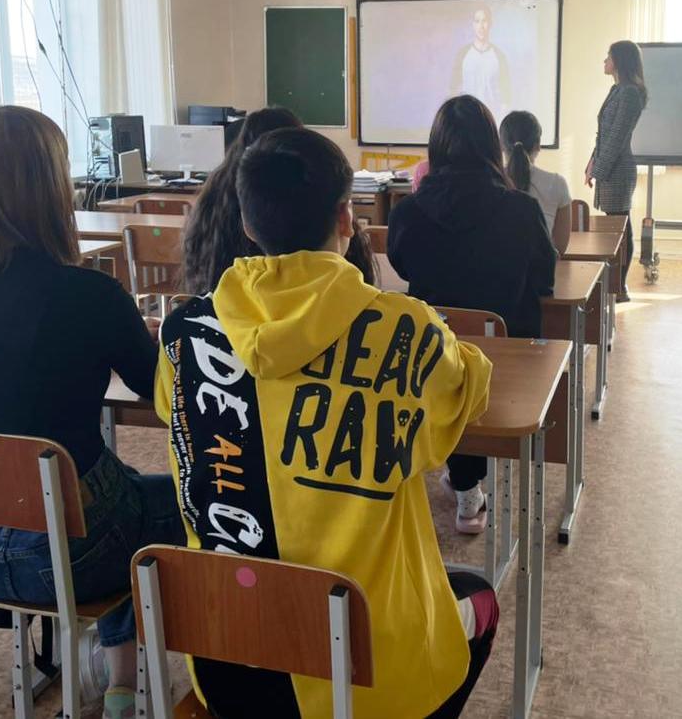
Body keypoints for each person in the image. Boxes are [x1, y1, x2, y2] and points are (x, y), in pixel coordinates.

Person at [156, 126, 497, 718]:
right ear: (346, 218)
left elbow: (170, 410)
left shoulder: (183, 334)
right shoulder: (408, 329)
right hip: (365, 668)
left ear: (247, 224)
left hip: (229, 657)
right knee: (481, 599)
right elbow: (469, 390)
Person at [0, 106, 184, 719]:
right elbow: (160, 390)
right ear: (52, 187)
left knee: (117, 491)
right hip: (70, 555)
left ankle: (111, 670)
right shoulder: (89, 294)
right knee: (181, 500)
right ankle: (124, 678)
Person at [387, 95, 556, 534]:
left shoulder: (408, 212)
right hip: (508, 369)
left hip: (428, 365)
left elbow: (403, 267)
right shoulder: (522, 210)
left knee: (450, 341)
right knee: (482, 348)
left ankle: (464, 484)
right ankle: (467, 488)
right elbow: (545, 278)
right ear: (491, 147)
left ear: (435, 148)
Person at [181, 106, 375, 294]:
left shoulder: (214, 202)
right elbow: (360, 276)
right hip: (327, 305)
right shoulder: (321, 198)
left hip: (224, 305)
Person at [585, 40, 648, 301]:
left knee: (620, 227)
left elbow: (617, 137)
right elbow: (604, 134)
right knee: (615, 227)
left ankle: (619, 286)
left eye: (608, 56)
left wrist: (599, 169)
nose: (605, 61)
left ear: (619, 61)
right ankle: (616, 286)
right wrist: (591, 163)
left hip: (618, 170)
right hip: (610, 166)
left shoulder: (630, 93)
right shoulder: (617, 90)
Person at [500, 110, 571, 245]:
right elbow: (560, 247)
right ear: (538, 145)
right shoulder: (557, 184)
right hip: (541, 259)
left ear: (501, 145)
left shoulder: (490, 180)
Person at [450, 4, 511, 124]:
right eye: (477, 21)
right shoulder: (463, 54)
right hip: (466, 120)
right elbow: (453, 88)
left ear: (490, 23)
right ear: (473, 25)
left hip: (491, 120)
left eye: (484, 21)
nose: (481, 26)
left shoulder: (499, 56)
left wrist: (499, 121)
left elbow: (506, 95)